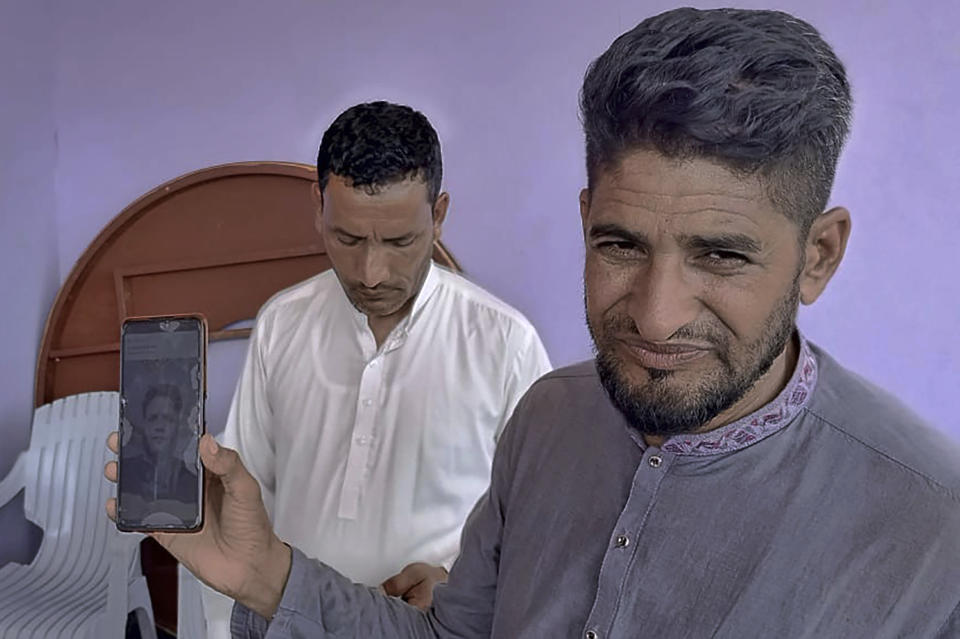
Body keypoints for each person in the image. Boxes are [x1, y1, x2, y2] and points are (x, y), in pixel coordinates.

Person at [106, 8, 960, 637]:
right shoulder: (550, 416)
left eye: (721, 256)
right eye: (619, 244)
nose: (656, 317)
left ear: (819, 254)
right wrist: (264, 573)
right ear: (586, 215)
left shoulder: (933, 534)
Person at [195, 100, 552, 631]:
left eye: (400, 241)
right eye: (348, 238)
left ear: (439, 214)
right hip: (293, 622)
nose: (371, 272)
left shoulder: (506, 344)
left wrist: (462, 586)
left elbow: (539, 527)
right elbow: (246, 500)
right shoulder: (281, 325)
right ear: (318, 207)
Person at [119, 383, 199, 525]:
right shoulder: (124, 473)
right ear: (144, 424)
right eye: (153, 418)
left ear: (177, 426)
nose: (159, 427)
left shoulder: (192, 481)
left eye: (167, 419)